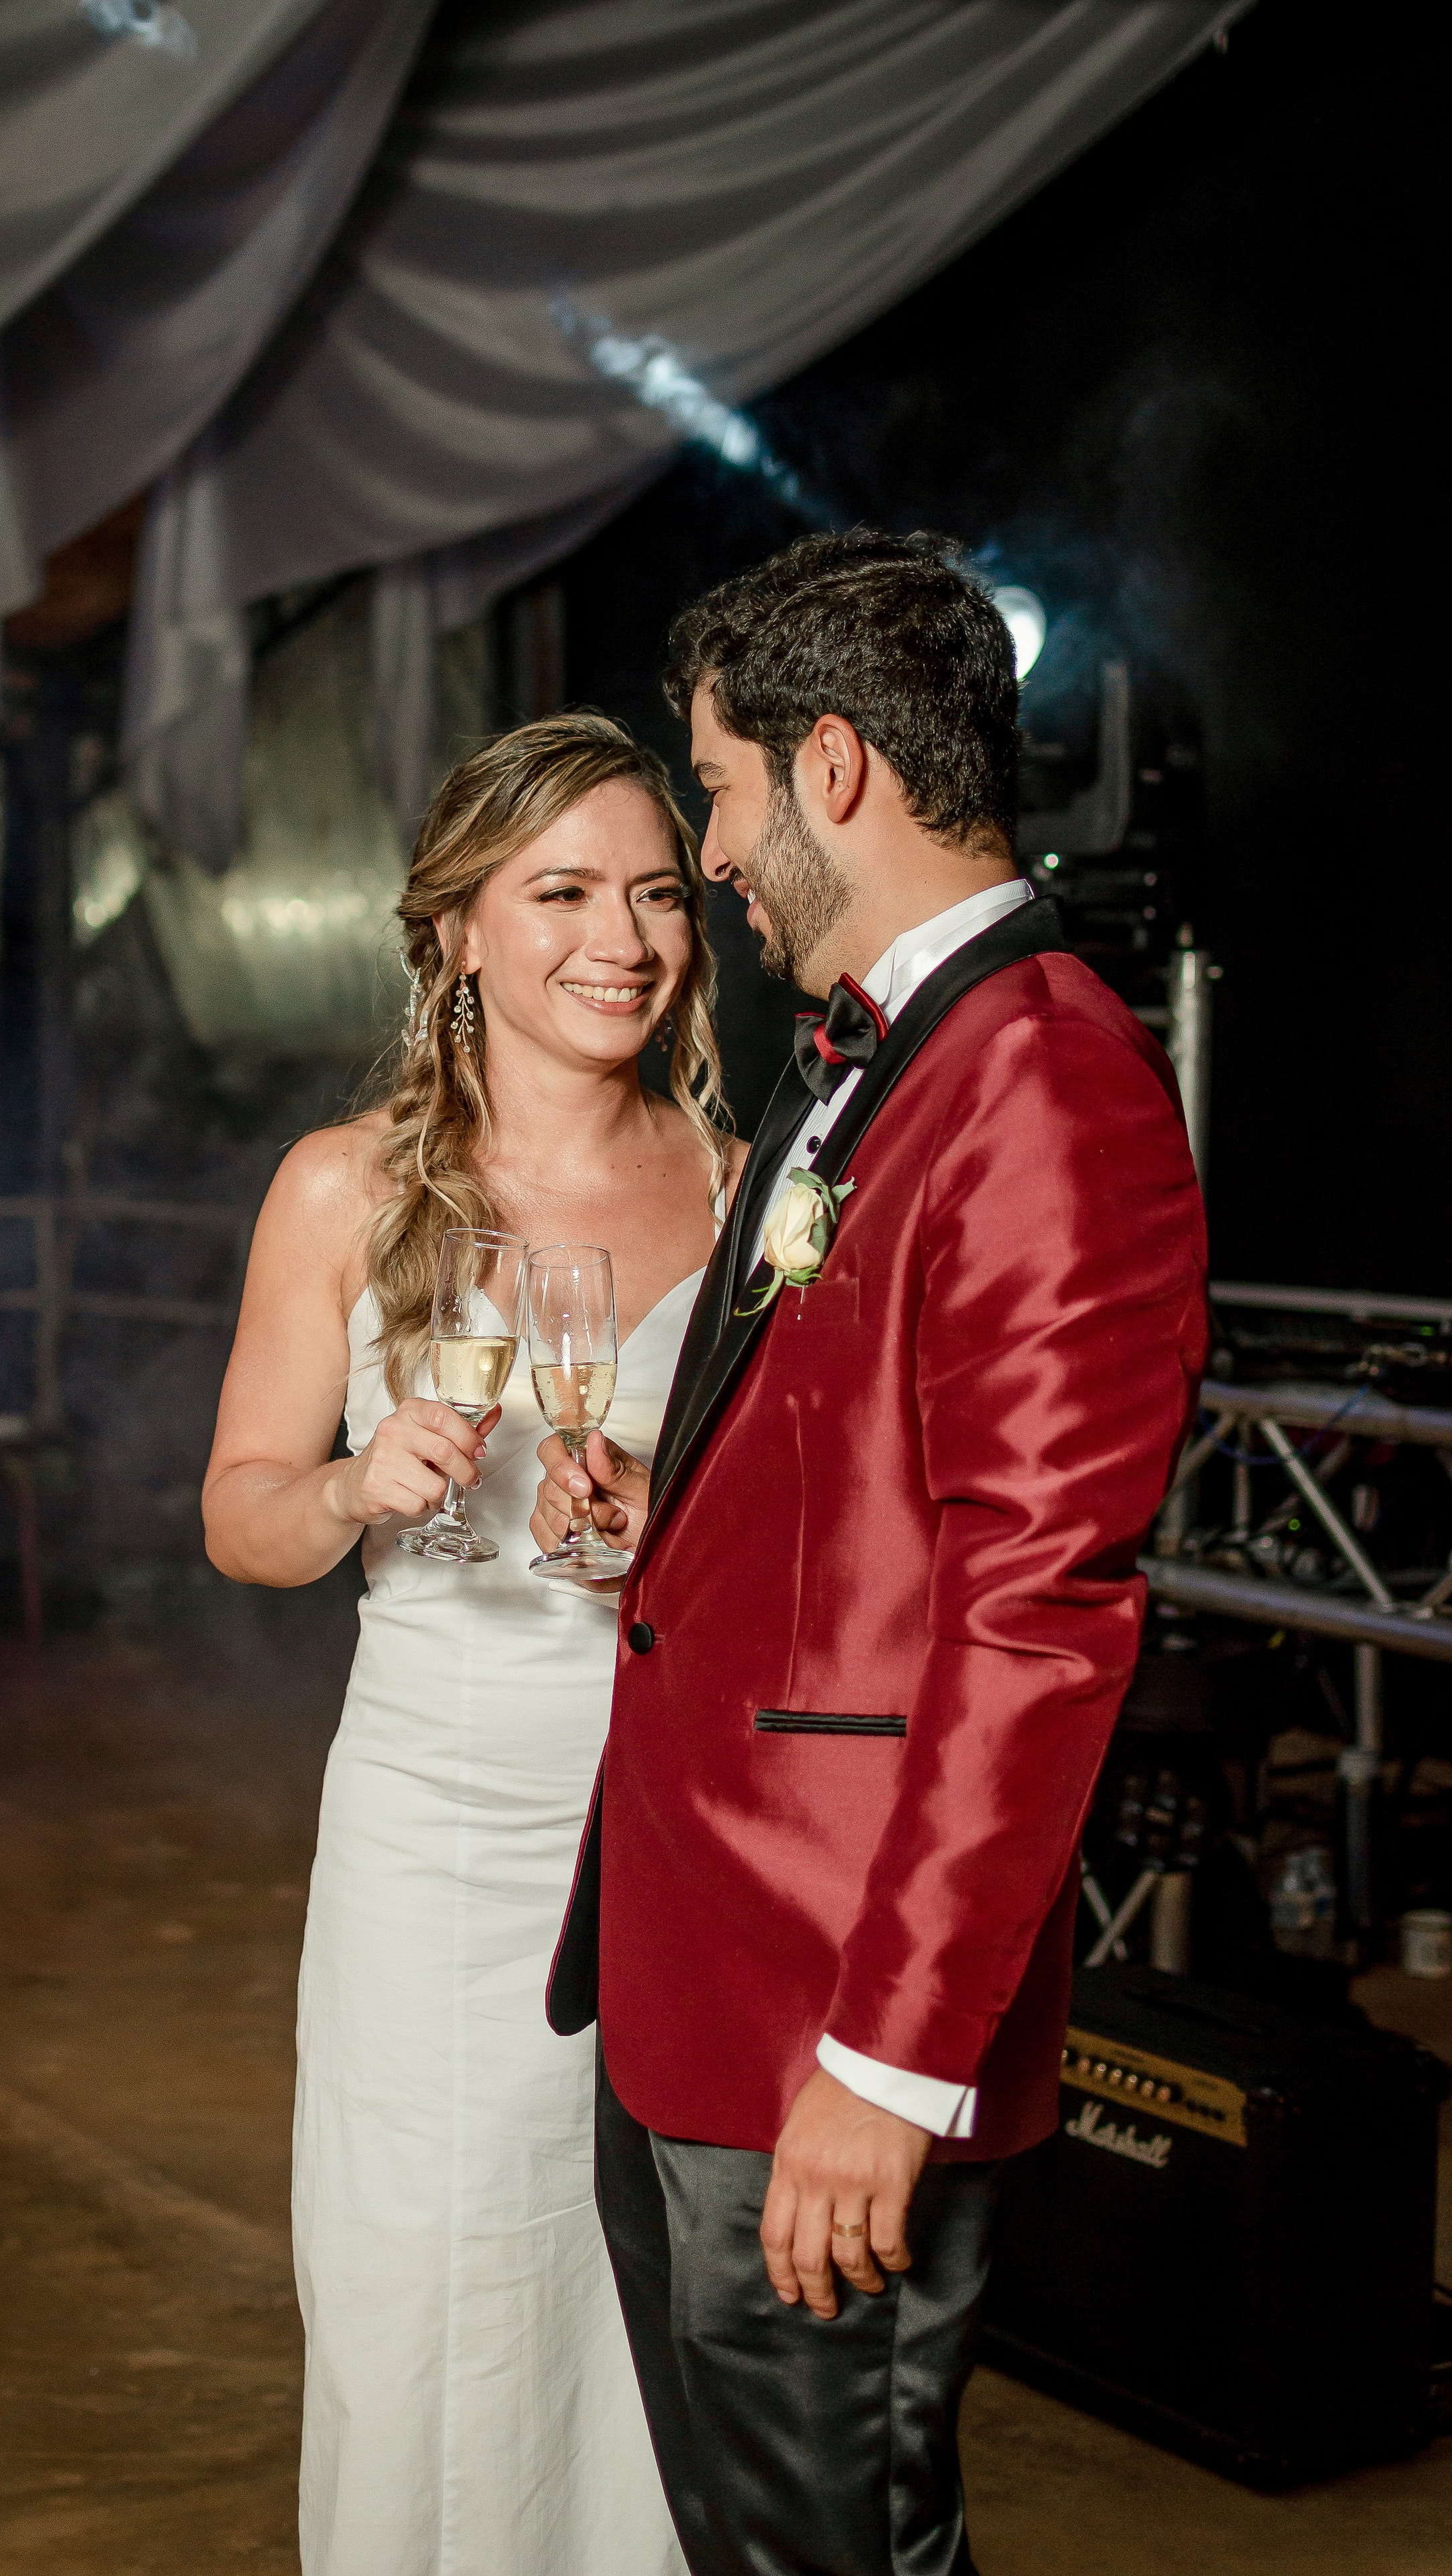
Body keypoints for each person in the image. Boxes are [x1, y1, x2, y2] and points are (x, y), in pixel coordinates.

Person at [532, 532, 1207, 2576]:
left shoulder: (1046, 1074)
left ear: (832, 768)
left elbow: (1039, 1611)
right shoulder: (871, 1059)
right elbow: (876, 1496)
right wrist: (687, 1516)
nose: (710, 853)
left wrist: (887, 2062)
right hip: (698, 1974)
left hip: (826, 2014)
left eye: (719, 789)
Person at [202, 714, 743, 2576]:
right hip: (442, 1838)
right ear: (457, 934)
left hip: (684, 1832)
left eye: (660, 891)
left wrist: (665, 1519)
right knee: (440, 2303)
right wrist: (356, 1486)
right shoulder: (345, 1189)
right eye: (566, 892)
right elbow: (241, 1514)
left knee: (650, 2320)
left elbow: (811, 1546)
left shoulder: (749, 1194)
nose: (625, 938)